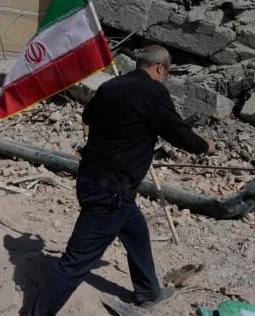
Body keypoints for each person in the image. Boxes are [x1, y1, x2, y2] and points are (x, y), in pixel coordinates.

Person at [26, 45, 215, 316]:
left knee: (136, 230)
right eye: (167, 72)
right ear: (160, 67)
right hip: (111, 191)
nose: (166, 77)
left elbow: (88, 116)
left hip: (94, 180)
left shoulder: (110, 85)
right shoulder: (153, 91)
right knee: (75, 262)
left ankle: (149, 292)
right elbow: (177, 132)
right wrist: (204, 146)